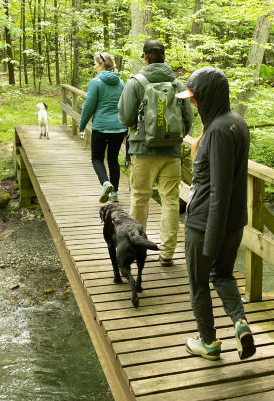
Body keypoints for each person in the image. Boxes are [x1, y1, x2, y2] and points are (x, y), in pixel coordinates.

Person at [175, 67, 256, 361]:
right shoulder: (235, 122)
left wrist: (211, 239)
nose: (192, 105)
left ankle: (208, 342)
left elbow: (219, 191)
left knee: (199, 283)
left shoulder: (219, 131)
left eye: (195, 99)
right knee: (222, 275)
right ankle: (240, 323)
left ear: (207, 97)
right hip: (231, 223)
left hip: (206, 224)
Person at [118, 39, 194, 267]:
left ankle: (135, 248)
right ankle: (167, 253)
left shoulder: (136, 83)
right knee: (170, 200)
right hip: (171, 153)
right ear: (164, 57)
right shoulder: (179, 86)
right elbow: (188, 121)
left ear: (145, 57)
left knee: (140, 199)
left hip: (142, 151)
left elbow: (125, 117)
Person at [79, 52, 127, 203]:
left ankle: (106, 183)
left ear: (101, 64)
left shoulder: (96, 82)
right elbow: (125, 105)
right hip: (119, 128)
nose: (94, 66)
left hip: (101, 127)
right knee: (113, 159)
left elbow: (89, 106)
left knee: (97, 158)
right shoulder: (121, 83)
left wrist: (82, 125)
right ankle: (114, 195)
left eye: (95, 63)